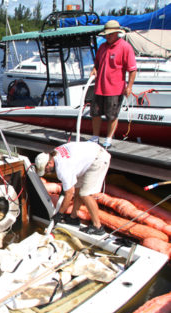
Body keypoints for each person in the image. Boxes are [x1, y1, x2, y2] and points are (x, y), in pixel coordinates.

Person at [35, 141, 111, 235]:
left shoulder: (62, 169)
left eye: (45, 170)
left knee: (85, 194)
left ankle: (98, 227)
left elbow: (69, 194)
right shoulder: (55, 153)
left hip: (97, 159)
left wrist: (60, 214)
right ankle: (73, 217)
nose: (46, 172)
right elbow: (73, 188)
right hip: (90, 155)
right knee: (78, 187)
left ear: (49, 163)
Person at [89, 20, 137, 149]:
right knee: (95, 113)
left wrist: (129, 87)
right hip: (100, 87)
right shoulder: (103, 47)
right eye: (106, 34)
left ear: (117, 33)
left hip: (115, 89)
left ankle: (108, 139)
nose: (107, 36)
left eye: (110, 34)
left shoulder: (125, 47)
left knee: (112, 115)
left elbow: (132, 69)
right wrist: (94, 69)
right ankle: (95, 137)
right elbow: (97, 64)